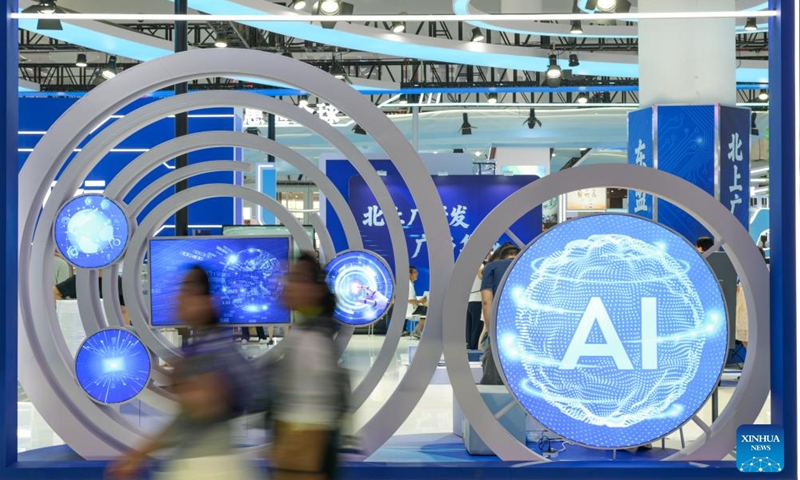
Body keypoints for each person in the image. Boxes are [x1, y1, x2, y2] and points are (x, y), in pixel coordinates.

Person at [107, 266, 254, 480]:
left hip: (208, 467)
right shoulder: (205, 347)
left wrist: (138, 455)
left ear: (207, 301)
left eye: (187, 292)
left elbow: (200, 410)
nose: (178, 299)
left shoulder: (212, 349)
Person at [270, 252, 347, 480]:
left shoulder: (312, 340)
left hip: (303, 450)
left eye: (296, 278)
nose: (288, 284)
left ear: (315, 291)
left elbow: (316, 415)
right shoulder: (308, 332)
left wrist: (291, 452)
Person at [479, 244, 520, 385]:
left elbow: (486, 301)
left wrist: (490, 331)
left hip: (500, 324)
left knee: (494, 367)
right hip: (524, 324)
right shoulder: (526, 265)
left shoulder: (492, 267)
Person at [54, 270, 130, 325]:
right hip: (82, 327)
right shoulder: (78, 280)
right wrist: (71, 309)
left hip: (111, 327)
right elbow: (54, 292)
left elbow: (126, 311)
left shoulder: (118, 282)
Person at [403, 266, 427, 339]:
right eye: (415, 272)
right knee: (428, 311)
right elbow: (409, 300)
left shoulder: (410, 284)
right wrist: (420, 301)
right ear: (409, 274)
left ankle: (417, 330)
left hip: (412, 307)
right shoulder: (409, 286)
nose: (417, 274)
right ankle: (417, 330)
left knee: (426, 310)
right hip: (410, 309)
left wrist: (420, 300)